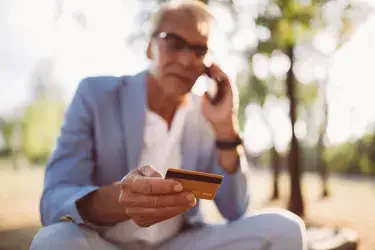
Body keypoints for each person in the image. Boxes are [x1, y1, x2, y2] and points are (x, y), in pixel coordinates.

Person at [30, 1, 307, 250]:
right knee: (52, 241)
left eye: (199, 50)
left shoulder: (206, 114)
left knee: (286, 229)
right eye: (174, 43)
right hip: (102, 242)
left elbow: (235, 209)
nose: (187, 60)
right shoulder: (95, 95)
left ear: (207, 65)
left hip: (180, 243)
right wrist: (121, 201)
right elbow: (54, 200)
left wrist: (226, 129)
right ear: (150, 46)